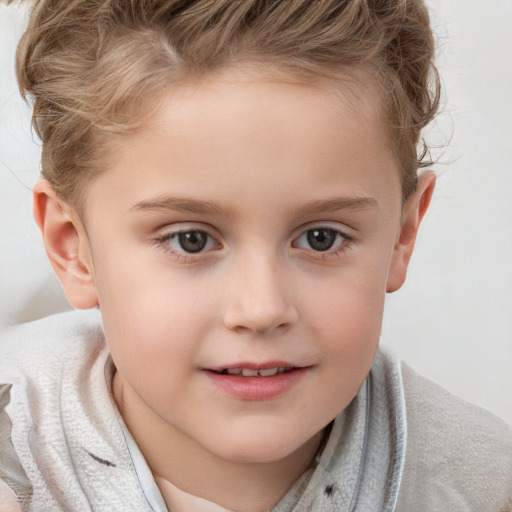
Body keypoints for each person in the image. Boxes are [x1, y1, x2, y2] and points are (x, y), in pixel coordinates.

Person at [0, 0, 511, 511]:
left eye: (321, 238)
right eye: (190, 240)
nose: (262, 308)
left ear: (402, 235)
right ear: (73, 247)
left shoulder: (485, 488)